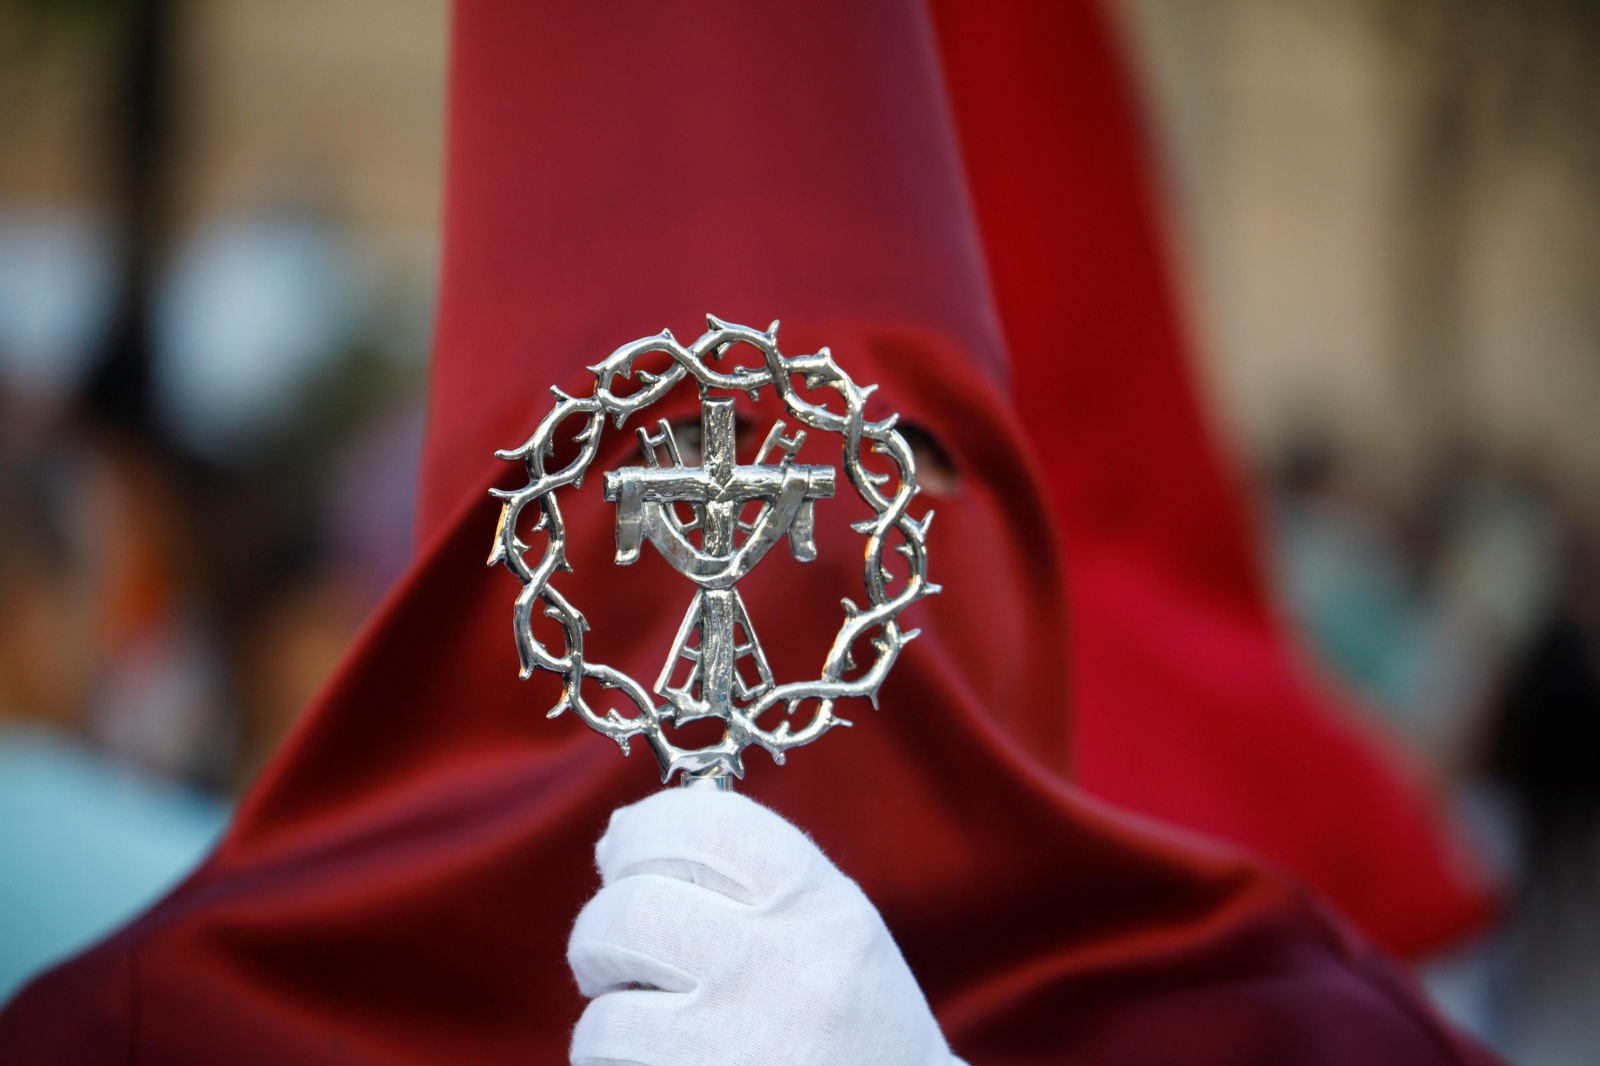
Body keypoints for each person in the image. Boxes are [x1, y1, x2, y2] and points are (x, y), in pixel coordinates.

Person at [1, 1, 1498, 1062]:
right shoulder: (153, 1033)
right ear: (489, 561)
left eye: (876, 465)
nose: (765, 550)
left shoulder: (1284, 1028)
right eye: (622, 491)